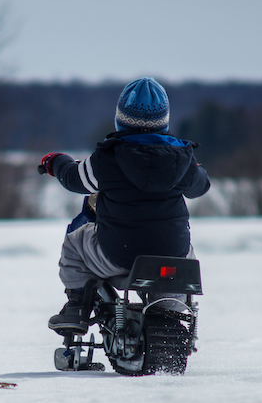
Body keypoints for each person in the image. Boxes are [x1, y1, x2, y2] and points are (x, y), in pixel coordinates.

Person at [39, 77, 211, 335]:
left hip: (118, 254)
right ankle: (171, 310)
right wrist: (195, 170)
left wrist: (58, 162)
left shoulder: (108, 158)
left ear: (121, 118)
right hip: (171, 254)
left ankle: (77, 306)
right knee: (184, 254)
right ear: (164, 120)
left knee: (76, 240)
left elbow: (76, 179)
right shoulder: (182, 159)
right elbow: (201, 187)